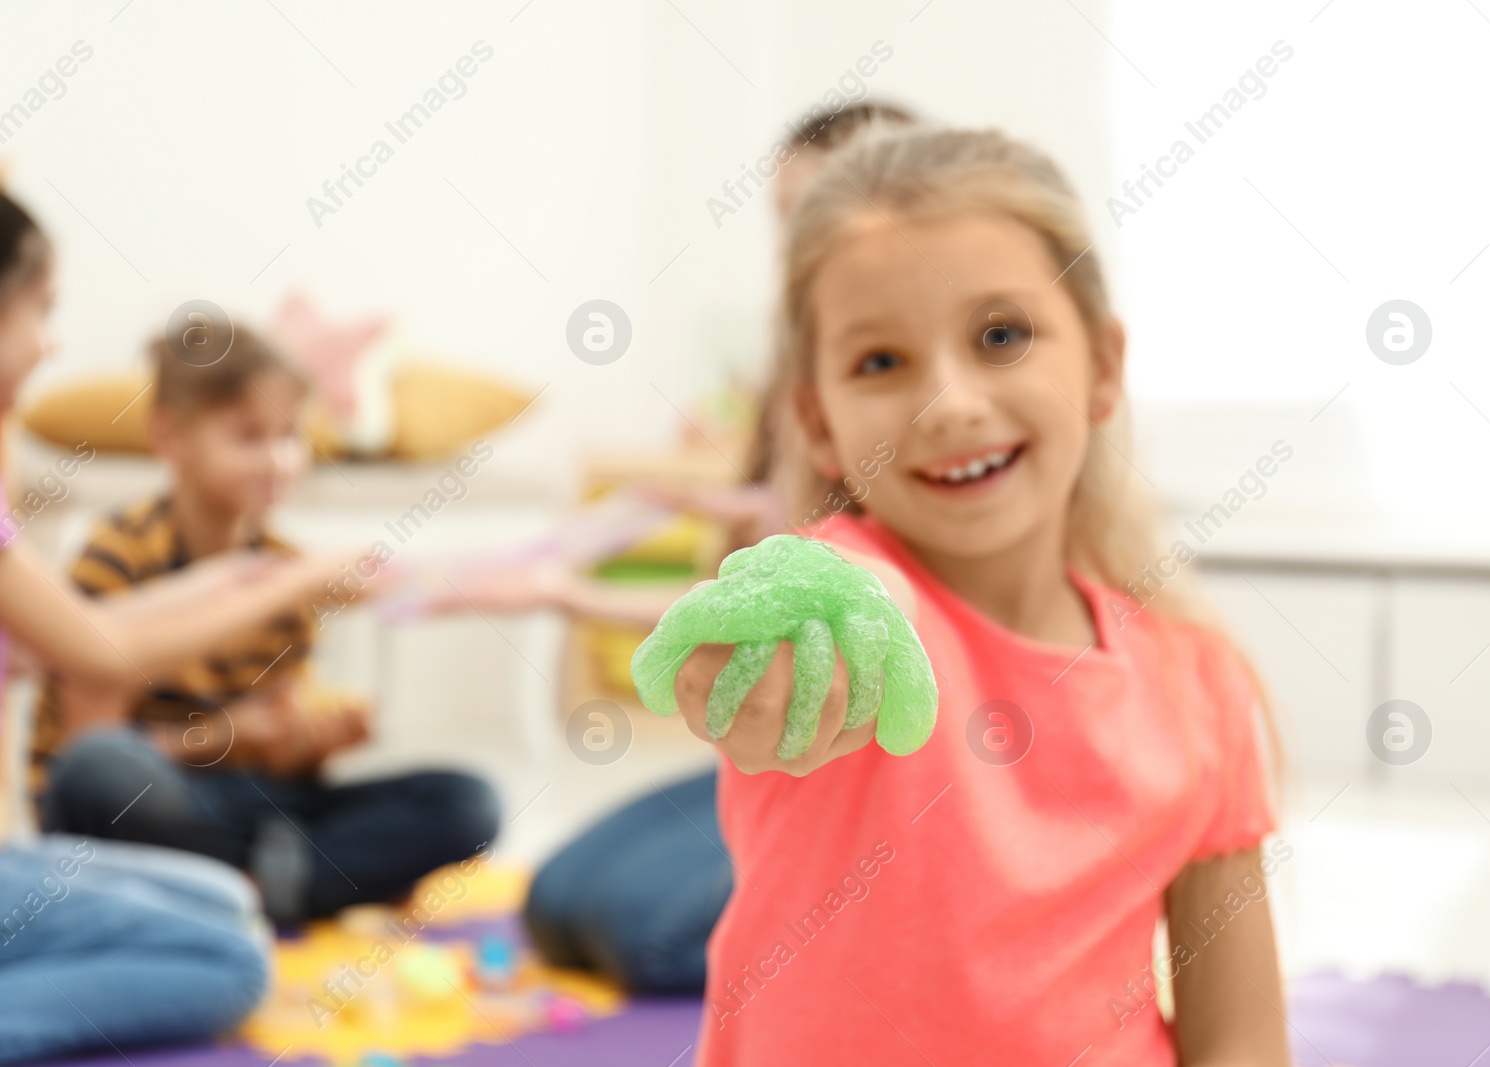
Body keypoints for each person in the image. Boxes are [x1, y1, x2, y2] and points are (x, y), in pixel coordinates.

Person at [673, 124, 1289, 1064]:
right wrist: (761, 668)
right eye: (881, 362)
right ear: (817, 418)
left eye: (1001, 336)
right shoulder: (849, 601)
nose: (948, 403)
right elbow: (834, 607)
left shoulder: (1197, 683)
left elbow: (1239, 1035)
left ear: (1103, 366)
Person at [432, 102, 920, 996]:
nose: (796, 248)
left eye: (820, 215)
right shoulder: (800, 372)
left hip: (873, 777)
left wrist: (566, 594)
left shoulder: (910, 391)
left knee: (643, 935)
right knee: (559, 900)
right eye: (786, 221)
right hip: (781, 755)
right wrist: (726, 505)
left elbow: (839, 587)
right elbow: (769, 565)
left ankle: (896, 926)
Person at [0, 189, 359, 1060]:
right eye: (40, 310)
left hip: (213, 807)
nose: (52, 342)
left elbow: (86, 625)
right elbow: (102, 655)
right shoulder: (120, 541)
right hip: (112, 794)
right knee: (235, 961)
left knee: (224, 901)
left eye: (289, 437)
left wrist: (258, 581)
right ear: (174, 439)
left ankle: (283, 867)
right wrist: (295, 580)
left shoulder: (265, 558)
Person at [33, 321, 500, 927]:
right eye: (250, 437)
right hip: (158, 798)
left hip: (246, 818)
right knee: (104, 774)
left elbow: (279, 772)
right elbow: (86, 748)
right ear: (170, 436)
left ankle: (255, 887)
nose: (278, 461)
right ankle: (294, 885)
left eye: (290, 436)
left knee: (466, 801)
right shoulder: (118, 554)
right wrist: (226, 734)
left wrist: (305, 740)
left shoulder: (287, 567)